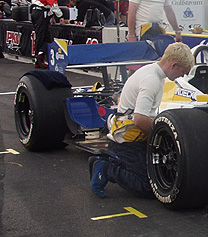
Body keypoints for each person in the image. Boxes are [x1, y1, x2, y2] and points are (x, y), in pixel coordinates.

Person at [89, 42, 194, 198]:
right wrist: (161, 139)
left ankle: (110, 161)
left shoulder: (153, 73)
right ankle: (105, 168)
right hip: (129, 138)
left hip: (134, 134)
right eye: (183, 72)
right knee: (147, 185)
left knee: (160, 173)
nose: (183, 76)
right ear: (174, 65)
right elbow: (140, 119)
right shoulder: (151, 80)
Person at [30, 0, 65, 69]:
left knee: (44, 35)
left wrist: (50, 15)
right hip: (40, 12)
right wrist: (60, 16)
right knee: (42, 35)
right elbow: (53, 4)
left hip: (34, 10)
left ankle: (39, 57)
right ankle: (38, 57)